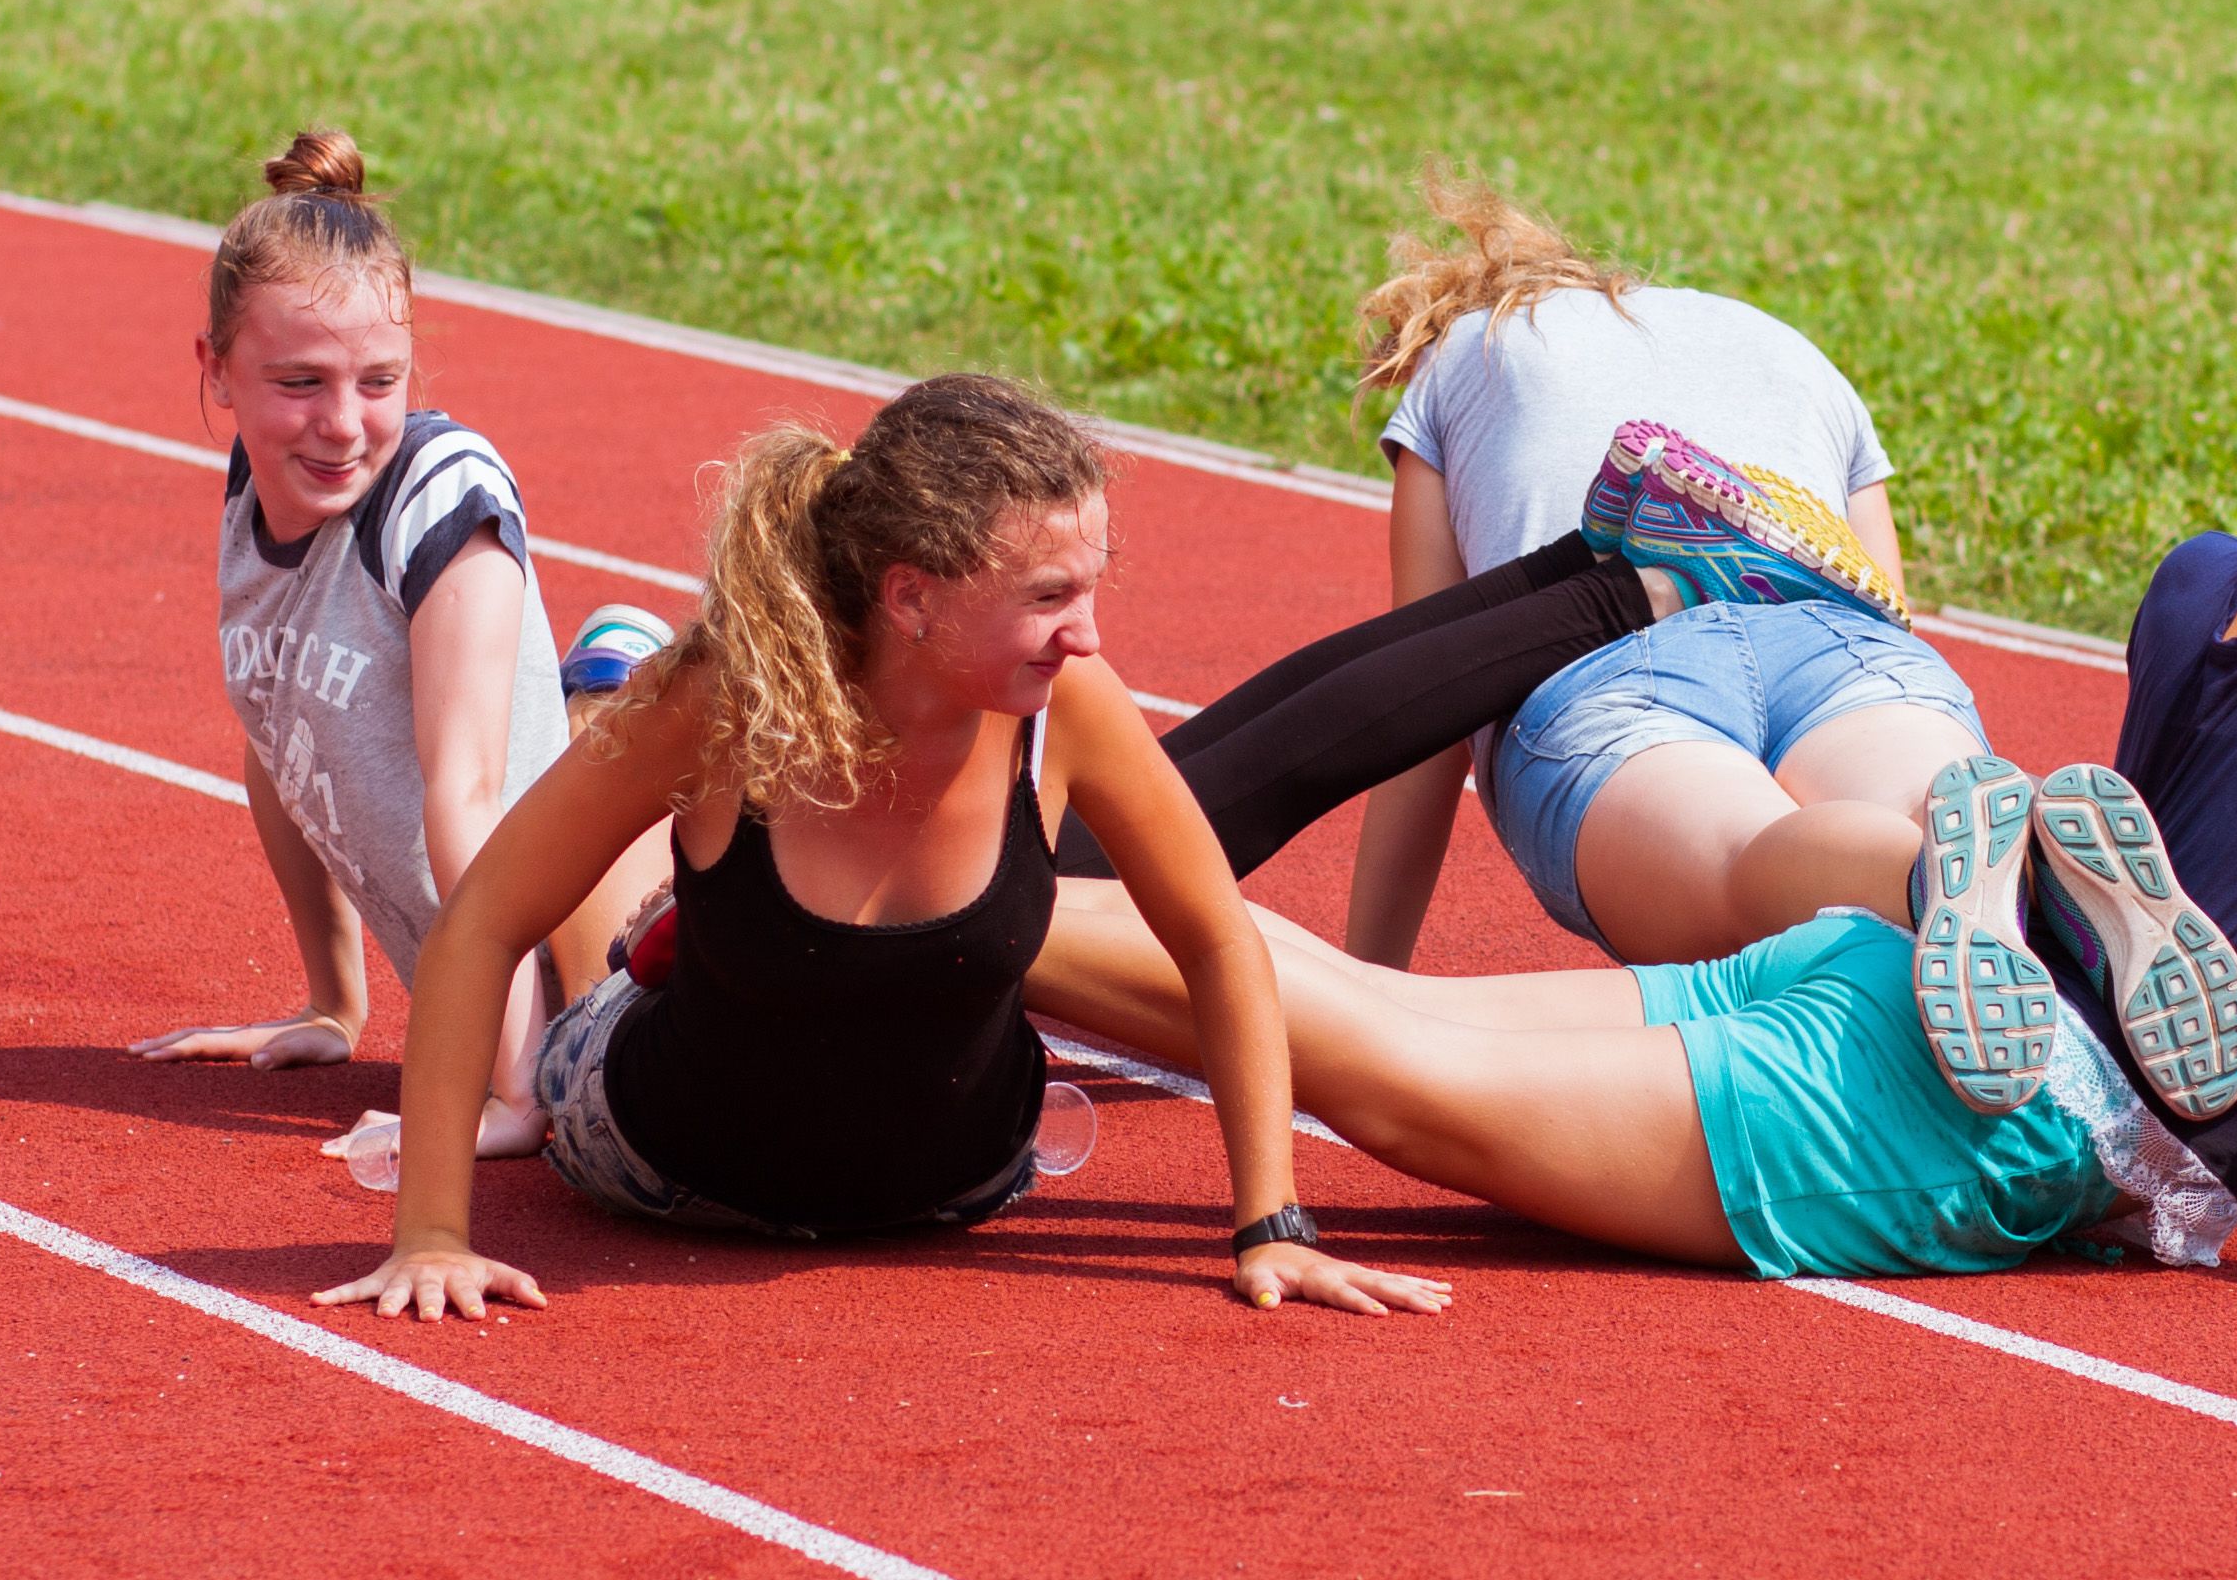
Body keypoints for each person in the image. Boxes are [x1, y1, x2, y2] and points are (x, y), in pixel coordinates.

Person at [1033, 392, 2237, 1322]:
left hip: (1909, 964)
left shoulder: (2208, 578)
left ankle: (965, 905)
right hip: (2014, 1107)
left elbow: (2196, 856)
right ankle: (931, 919)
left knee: (1381, 1008)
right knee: (1388, 1068)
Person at [314, 375, 1450, 1323]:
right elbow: (483, 922)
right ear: (911, 598)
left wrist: (1274, 1225)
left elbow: (1217, 936)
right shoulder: (722, 703)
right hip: (665, 1170)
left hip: (958, 1186)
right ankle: (614, 729)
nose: (1091, 633)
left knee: (689, 914)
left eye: (1094, 588)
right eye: (1049, 595)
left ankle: (669, 907)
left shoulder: (1069, 705)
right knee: (600, 959)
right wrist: (430, 1234)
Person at [126, 132, 668, 1155]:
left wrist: (512, 1095)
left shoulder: (439, 496)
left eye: (381, 381)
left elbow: (470, 801)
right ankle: (608, 681)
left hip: (602, 949)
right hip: (505, 957)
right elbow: (280, 738)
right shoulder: (257, 487)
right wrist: (334, 1008)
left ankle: (629, 694)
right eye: (298, 383)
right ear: (217, 370)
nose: (341, 423)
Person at [1344, 175, 1990, 970]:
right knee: (1918, 791)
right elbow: (1877, 611)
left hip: (1610, 665)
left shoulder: (1460, 356)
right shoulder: (1787, 345)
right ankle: (1992, 848)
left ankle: (1905, 879)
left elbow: (1427, 692)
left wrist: (1368, 978)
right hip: (1834, 644)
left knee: (1747, 859)